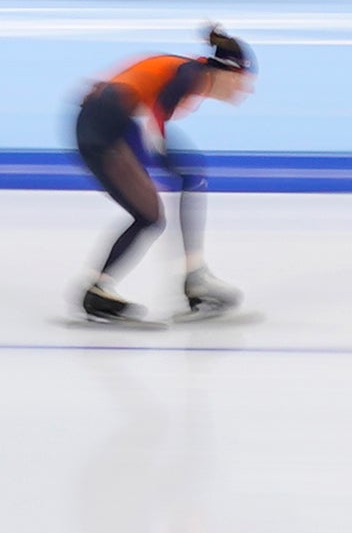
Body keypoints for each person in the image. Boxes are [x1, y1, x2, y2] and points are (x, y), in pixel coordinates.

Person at [71, 22, 251, 322]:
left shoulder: (189, 73)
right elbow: (155, 117)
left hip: (107, 123)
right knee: (153, 212)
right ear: (228, 71)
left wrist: (161, 154)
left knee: (178, 188)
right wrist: (160, 150)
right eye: (242, 81)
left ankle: (190, 278)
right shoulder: (191, 74)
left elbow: (144, 109)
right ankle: (103, 292)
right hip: (104, 125)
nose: (244, 89)